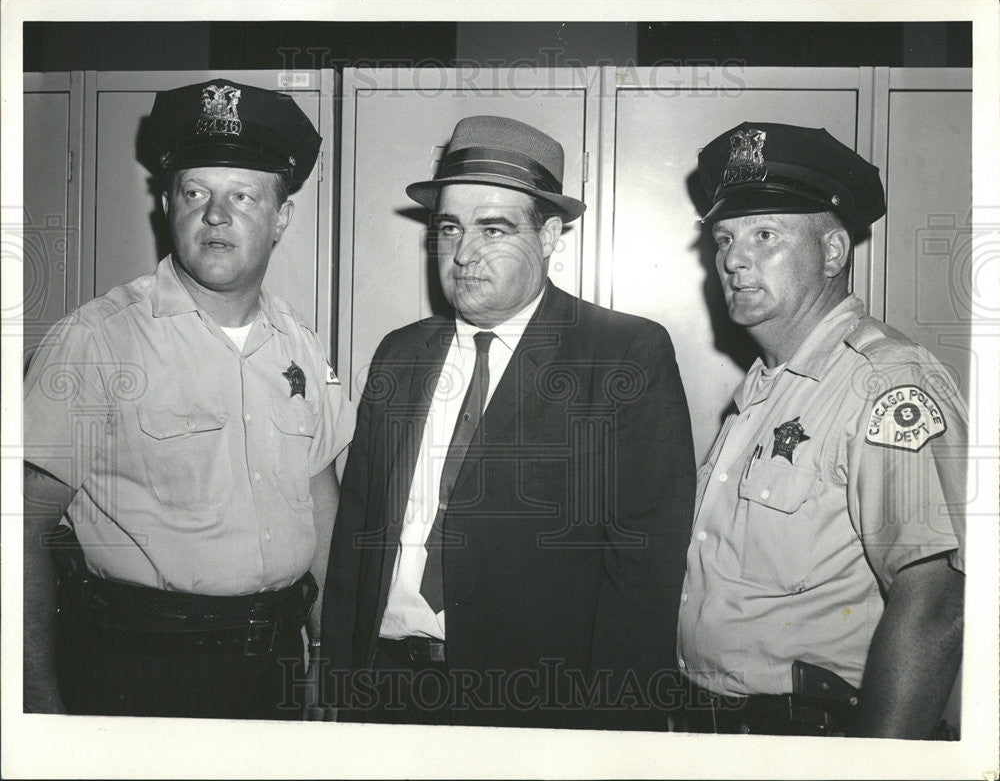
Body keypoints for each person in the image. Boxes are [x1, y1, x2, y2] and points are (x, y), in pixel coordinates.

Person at [320, 115, 695, 729]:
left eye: (493, 229)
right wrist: (340, 683)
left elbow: (645, 566)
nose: (464, 254)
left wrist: (616, 737)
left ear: (549, 236)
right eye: (450, 228)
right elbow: (358, 527)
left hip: (537, 704)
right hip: (386, 690)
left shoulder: (623, 355)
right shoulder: (401, 353)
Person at [22, 79, 355, 719]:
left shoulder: (302, 348)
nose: (216, 215)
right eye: (196, 192)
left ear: (281, 215)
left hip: (280, 663)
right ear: (168, 205)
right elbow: (22, 529)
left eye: (244, 195)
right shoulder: (97, 340)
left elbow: (321, 511)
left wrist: (329, 659)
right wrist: (39, 706)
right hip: (141, 670)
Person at [676, 122, 966, 738]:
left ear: (833, 252)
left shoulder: (883, 382)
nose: (733, 258)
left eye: (765, 235)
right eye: (725, 238)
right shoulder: (768, 387)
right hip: (722, 732)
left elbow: (936, 603)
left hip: (810, 738)